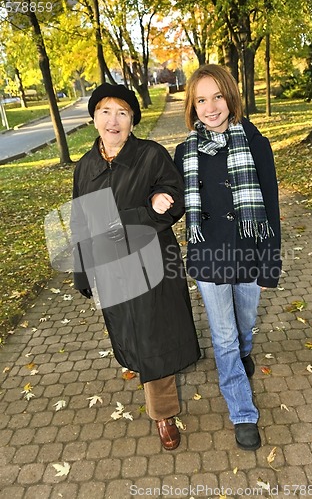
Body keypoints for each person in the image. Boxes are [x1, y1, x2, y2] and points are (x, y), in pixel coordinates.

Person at [71, 83, 201, 451]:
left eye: (123, 113)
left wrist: (160, 200)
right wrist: (83, 273)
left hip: (152, 262)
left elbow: (175, 199)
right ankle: (141, 371)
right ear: (94, 118)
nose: (114, 120)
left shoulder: (151, 155)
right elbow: (82, 222)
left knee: (153, 334)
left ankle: (163, 413)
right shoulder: (85, 168)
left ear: (132, 120)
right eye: (106, 112)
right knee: (129, 332)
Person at [174, 64, 281, 451]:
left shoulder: (255, 142)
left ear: (230, 97)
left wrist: (271, 263)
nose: (210, 107)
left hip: (250, 252)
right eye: (201, 99)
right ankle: (242, 412)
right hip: (208, 256)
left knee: (245, 324)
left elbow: (269, 205)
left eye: (217, 96)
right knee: (222, 335)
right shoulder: (184, 150)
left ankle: (243, 352)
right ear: (192, 106)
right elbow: (172, 202)